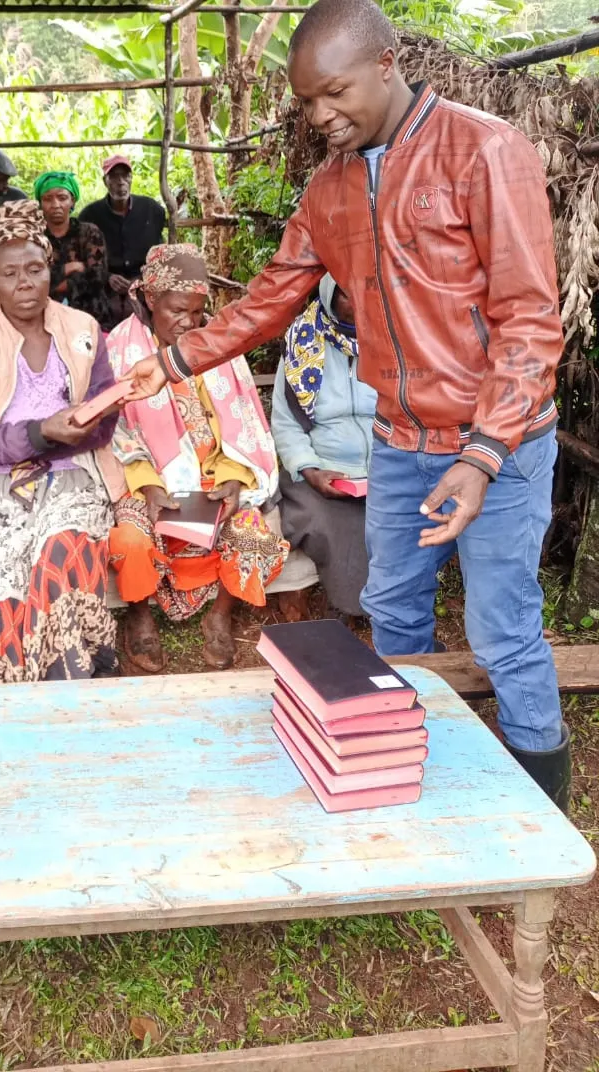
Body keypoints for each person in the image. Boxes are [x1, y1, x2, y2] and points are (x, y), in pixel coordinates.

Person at [121, 0, 570, 809]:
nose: (321, 115)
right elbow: (271, 297)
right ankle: (406, 765)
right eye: (308, 101)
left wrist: (483, 453)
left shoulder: (485, 149)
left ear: (387, 65)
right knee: (392, 608)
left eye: (335, 92)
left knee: (503, 629)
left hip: (498, 445)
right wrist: (175, 360)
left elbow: (530, 322)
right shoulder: (329, 189)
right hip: (400, 441)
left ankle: (544, 804)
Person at [0, 201, 127, 683]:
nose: (25, 283)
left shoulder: (82, 330)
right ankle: (32, 686)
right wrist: (40, 433)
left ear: (49, 267)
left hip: (75, 472)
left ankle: (69, 677)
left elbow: (105, 416)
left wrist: (64, 437)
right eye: (10, 273)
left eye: (35, 269)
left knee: (62, 551)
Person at [108, 245, 288, 673]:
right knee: (131, 539)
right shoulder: (118, 349)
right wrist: (149, 486)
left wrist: (234, 477)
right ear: (150, 298)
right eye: (177, 310)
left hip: (212, 482)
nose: (190, 322)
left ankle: (220, 615)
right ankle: (139, 615)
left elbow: (244, 422)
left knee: (252, 531)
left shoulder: (216, 345)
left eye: (197, 311)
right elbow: (115, 436)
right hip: (146, 485)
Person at [271, 274, 376, 619]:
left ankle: (390, 609)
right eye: (347, 294)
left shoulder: (391, 339)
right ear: (329, 296)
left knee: (394, 520)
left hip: (387, 466)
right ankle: (349, 606)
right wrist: (310, 469)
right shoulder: (302, 344)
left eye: (365, 292)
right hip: (322, 471)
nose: (358, 302)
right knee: (329, 522)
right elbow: (286, 423)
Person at [78, 155, 167, 327]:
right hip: (105, 289)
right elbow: (82, 258)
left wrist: (141, 279)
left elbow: (160, 253)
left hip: (144, 284)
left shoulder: (151, 210)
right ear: (105, 181)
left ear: (131, 178)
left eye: (125, 176)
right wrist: (107, 277)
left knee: (150, 318)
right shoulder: (90, 215)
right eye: (114, 177)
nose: (120, 182)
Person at [34, 171, 113, 330]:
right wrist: (69, 268)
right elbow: (33, 279)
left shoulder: (90, 233)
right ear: (40, 203)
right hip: (44, 318)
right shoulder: (35, 237)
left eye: (62, 198)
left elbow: (98, 277)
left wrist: (54, 284)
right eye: (48, 199)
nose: (55, 204)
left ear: (72, 200)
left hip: (91, 315)